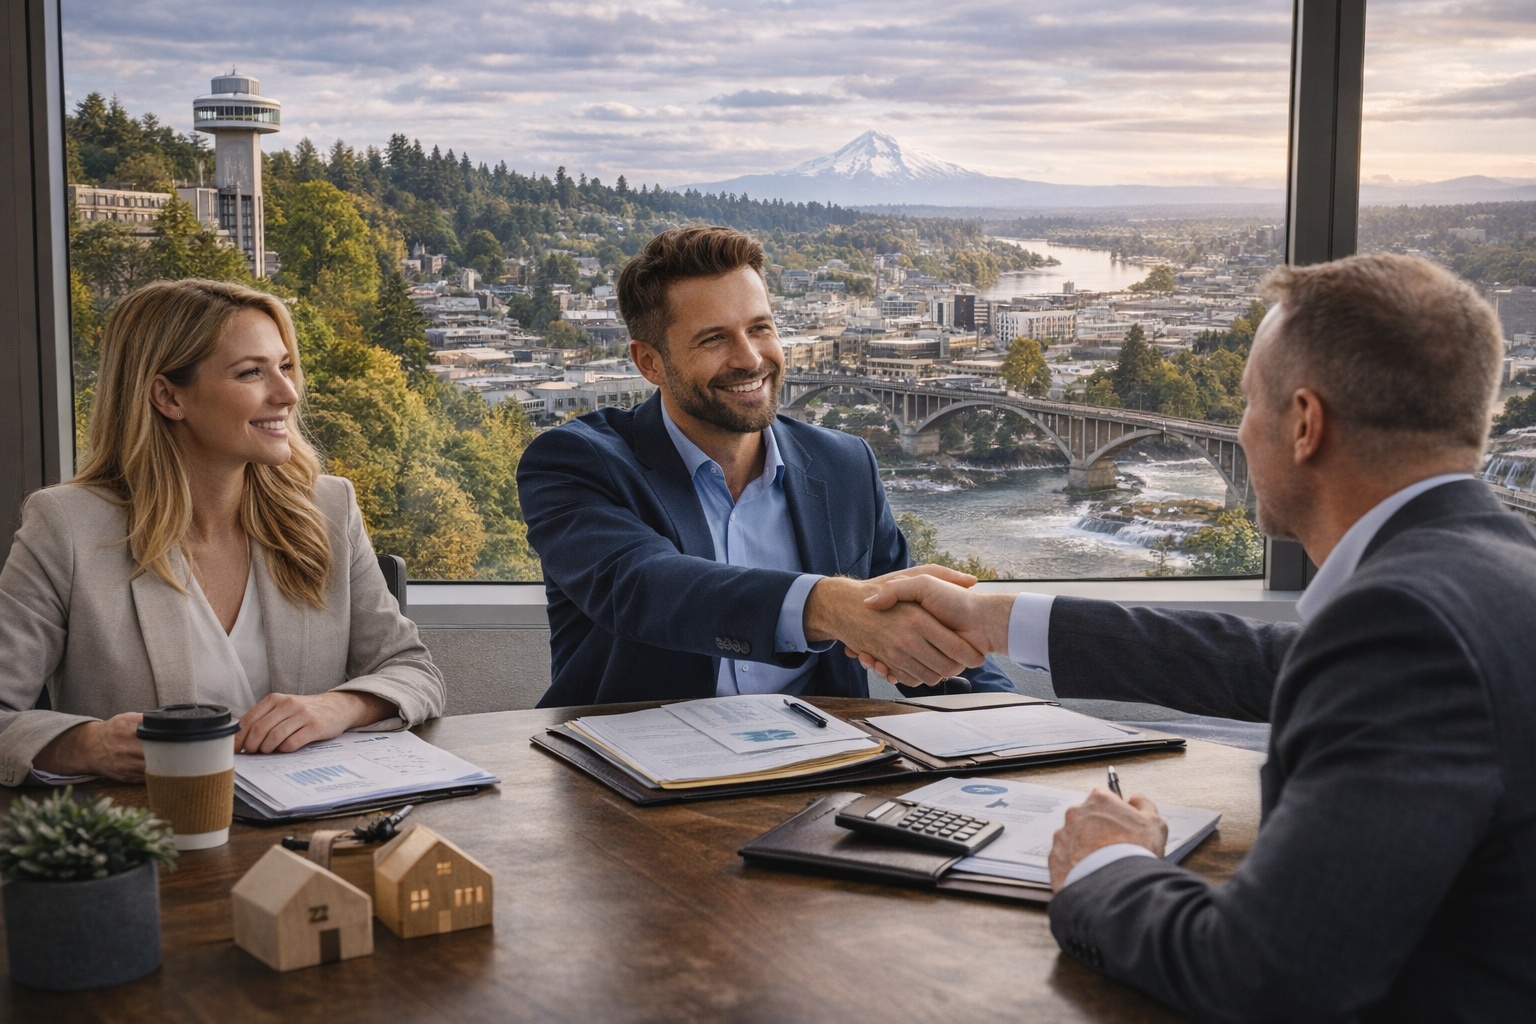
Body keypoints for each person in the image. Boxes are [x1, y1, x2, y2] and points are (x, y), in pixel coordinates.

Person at [858, 253, 1535, 1020]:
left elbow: (1262, 979)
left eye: (1247, 404)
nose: (1239, 431)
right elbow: (1271, 663)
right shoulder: (1489, 573)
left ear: (1306, 423)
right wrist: (997, 617)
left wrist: (1106, 862)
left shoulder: (1405, 627)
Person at [517, 226, 1011, 706]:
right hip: (631, 771)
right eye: (713, 339)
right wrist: (828, 607)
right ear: (650, 363)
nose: (750, 358)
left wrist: (1018, 726)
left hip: (818, 769)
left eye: (760, 328)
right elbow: (646, 587)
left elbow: (914, 622)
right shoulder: (576, 462)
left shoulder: (844, 466)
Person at [0, 278, 444, 786]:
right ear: (168, 396)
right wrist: (91, 745)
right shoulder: (66, 526)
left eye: (285, 366)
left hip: (306, 832)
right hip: (153, 840)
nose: (287, 393)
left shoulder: (328, 507)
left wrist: (339, 706)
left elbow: (413, 672)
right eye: (251, 372)